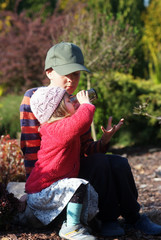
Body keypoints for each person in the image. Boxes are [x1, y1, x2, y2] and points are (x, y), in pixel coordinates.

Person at [20, 42, 161, 237]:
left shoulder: (75, 102)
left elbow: (86, 149)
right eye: (65, 74)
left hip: (74, 166)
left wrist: (103, 141)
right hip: (53, 177)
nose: (71, 80)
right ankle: (108, 219)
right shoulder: (33, 98)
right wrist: (31, 190)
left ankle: (134, 218)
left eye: (76, 74)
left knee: (118, 163)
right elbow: (30, 147)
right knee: (102, 163)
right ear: (49, 72)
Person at [25, 86, 99, 240]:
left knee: (85, 191)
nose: (74, 101)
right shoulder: (56, 129)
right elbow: (80, 122)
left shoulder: (61, 126)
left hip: (49, 189)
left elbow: (75, 120)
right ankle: (71, 228)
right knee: (77, 185)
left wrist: (77, 106)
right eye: (68, 100)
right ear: (58, 109)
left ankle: (69, 222)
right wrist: (86, 104)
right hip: (42, 192)